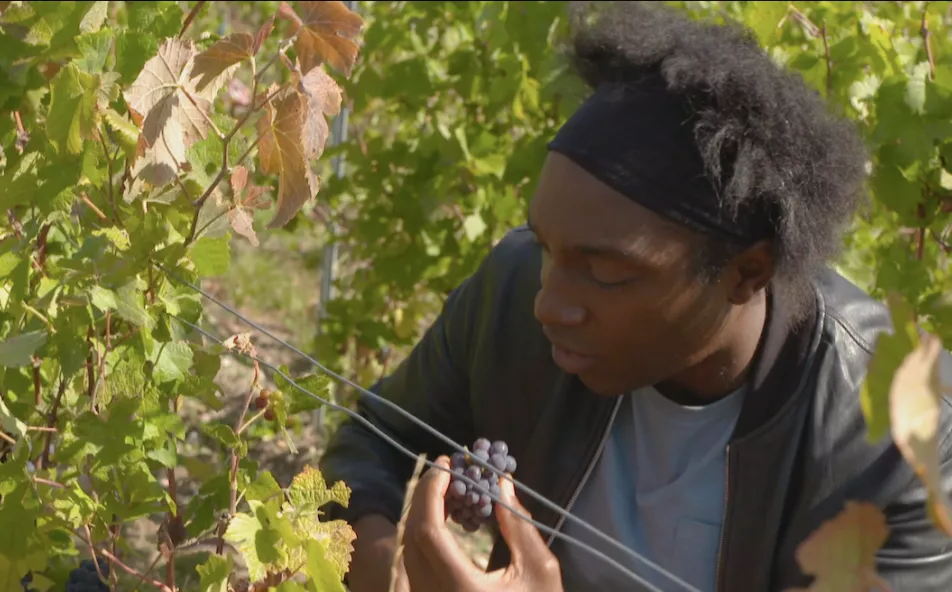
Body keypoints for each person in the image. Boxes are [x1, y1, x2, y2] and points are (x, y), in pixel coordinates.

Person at [319, 2, 952, 591]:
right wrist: (381, 571)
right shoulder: (512, 292)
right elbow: (372, 441)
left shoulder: (899, 440)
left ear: (747, 273)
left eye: (606, 273)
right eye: (547, 247)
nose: (549, 305)